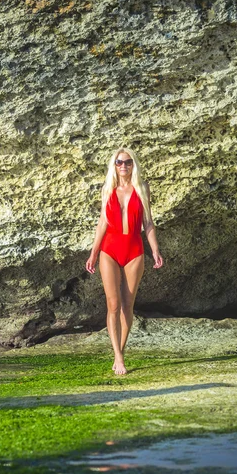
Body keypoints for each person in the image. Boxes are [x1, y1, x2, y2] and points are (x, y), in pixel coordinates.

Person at [86, 147, 163, 375]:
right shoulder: (108, 188)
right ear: (114, 165)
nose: (123, 166)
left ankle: (120, 351)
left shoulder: (142, 188)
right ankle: (117, 357)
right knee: (113, 304)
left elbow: (148, 223)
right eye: (119, 162)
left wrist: (156, 250)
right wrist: (93, 253)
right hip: (109, 250)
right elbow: (102, 224)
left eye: (127, 162)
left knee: (128, 304)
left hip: (134, 250)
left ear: (133, 164)